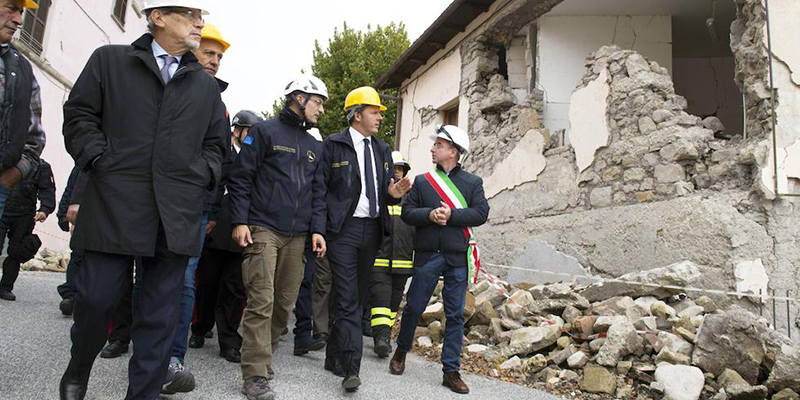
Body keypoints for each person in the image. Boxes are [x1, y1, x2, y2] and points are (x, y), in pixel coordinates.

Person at [59, 1, 226, 399]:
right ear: (158, 17)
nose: (200, 24)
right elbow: (79, 116)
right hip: (113, 206)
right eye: (191, 16)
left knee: (159, 320)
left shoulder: (205, 87)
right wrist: (100, 158)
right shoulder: (110, 62)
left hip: (174, 216)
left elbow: (217, 149)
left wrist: (199, 175)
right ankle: (78, 369)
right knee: (96, 301)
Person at [228, 75, 328, 400]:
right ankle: (255, 374)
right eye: (318, 101)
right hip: (263, 228)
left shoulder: (315, 146)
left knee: (284, 305)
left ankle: (263, 355)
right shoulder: (264, 132)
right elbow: (241, 178)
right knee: (262, 299)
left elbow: (317, 192)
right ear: (298, 98)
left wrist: (317, 230)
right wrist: (240, 220)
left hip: (298, 236)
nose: (322, 110)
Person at [321, 86, 411, 392]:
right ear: (357, 114)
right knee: (347, 298)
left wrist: (392, 193)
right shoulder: (333, 145)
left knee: (356, 298)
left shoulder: (383, 149)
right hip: (342, 231)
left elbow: (383, 189)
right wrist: (319, 230)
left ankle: (333, 355)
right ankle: (351, 367)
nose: (379, 118)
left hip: (373, 230)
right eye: (374, 112)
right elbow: (320, 191)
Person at [160, 21, 232, 396]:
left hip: (195, 206)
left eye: (219, 56)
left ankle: (173, 359)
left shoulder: (218, 103)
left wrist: (212, 209)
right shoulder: (165, 84)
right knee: (150, 276)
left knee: (185, 278)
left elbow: (219, 157)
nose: (215, 61)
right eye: (209, 53)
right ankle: (145, 348)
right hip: (152, 198)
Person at [389, 125, 489, 395]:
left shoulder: (472, 183)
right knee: (414, 307)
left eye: (439, 145)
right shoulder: (422, 182)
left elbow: (481, 213)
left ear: (453, 152)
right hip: (428, 254)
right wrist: (430, 215)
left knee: (455, 315)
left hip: (457, 256)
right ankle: (401, 351)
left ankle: (451, 371)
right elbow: (408, 212)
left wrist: (453, 217)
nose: (433, 148)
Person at [189, 110, 262, 363]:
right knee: (207, 283)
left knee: (235, 289)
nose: (252, 137)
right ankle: (200, 327)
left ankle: (229, 340)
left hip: (242, 232)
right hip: (217, 227)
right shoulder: (221, 152)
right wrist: (210, 216)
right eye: (248, 131)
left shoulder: (257, 159)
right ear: (237, 130)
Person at [0, 0, 47, 224]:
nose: (19, 20)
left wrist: (11, 177)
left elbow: (34, 139)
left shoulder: (22, 70)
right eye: (11, 8)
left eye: (21, 12)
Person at [368, 151, 414, 357]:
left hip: (403, 261)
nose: (397, 172)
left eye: (400, 169)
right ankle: (381, 338)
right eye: (394, 168)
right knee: (381, 300)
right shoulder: (378, 195)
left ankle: (384, 333)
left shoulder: (412, 199)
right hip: (380, 259)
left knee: (394, 303)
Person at [292, 127, 328, 356]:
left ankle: (303, 335)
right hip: (287, 230)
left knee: (306, 282)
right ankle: (266, 336)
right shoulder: (292, 168)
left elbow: (320, 200)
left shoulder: (320, 171)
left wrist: (318, 230)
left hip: (309, 234)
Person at [0, 158, 54, 301]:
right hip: (1, 209)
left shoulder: (40, 166)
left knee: (16, 252)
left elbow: (47, 189)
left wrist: (45, 209)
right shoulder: (4, 159)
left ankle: (5, 288)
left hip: (24, 214)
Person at [55, 166, 85, 315]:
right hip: (84, 219)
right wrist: (63, 214)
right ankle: (70, 296)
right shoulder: (83, 162)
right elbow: (72, 188)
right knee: (78, 257)